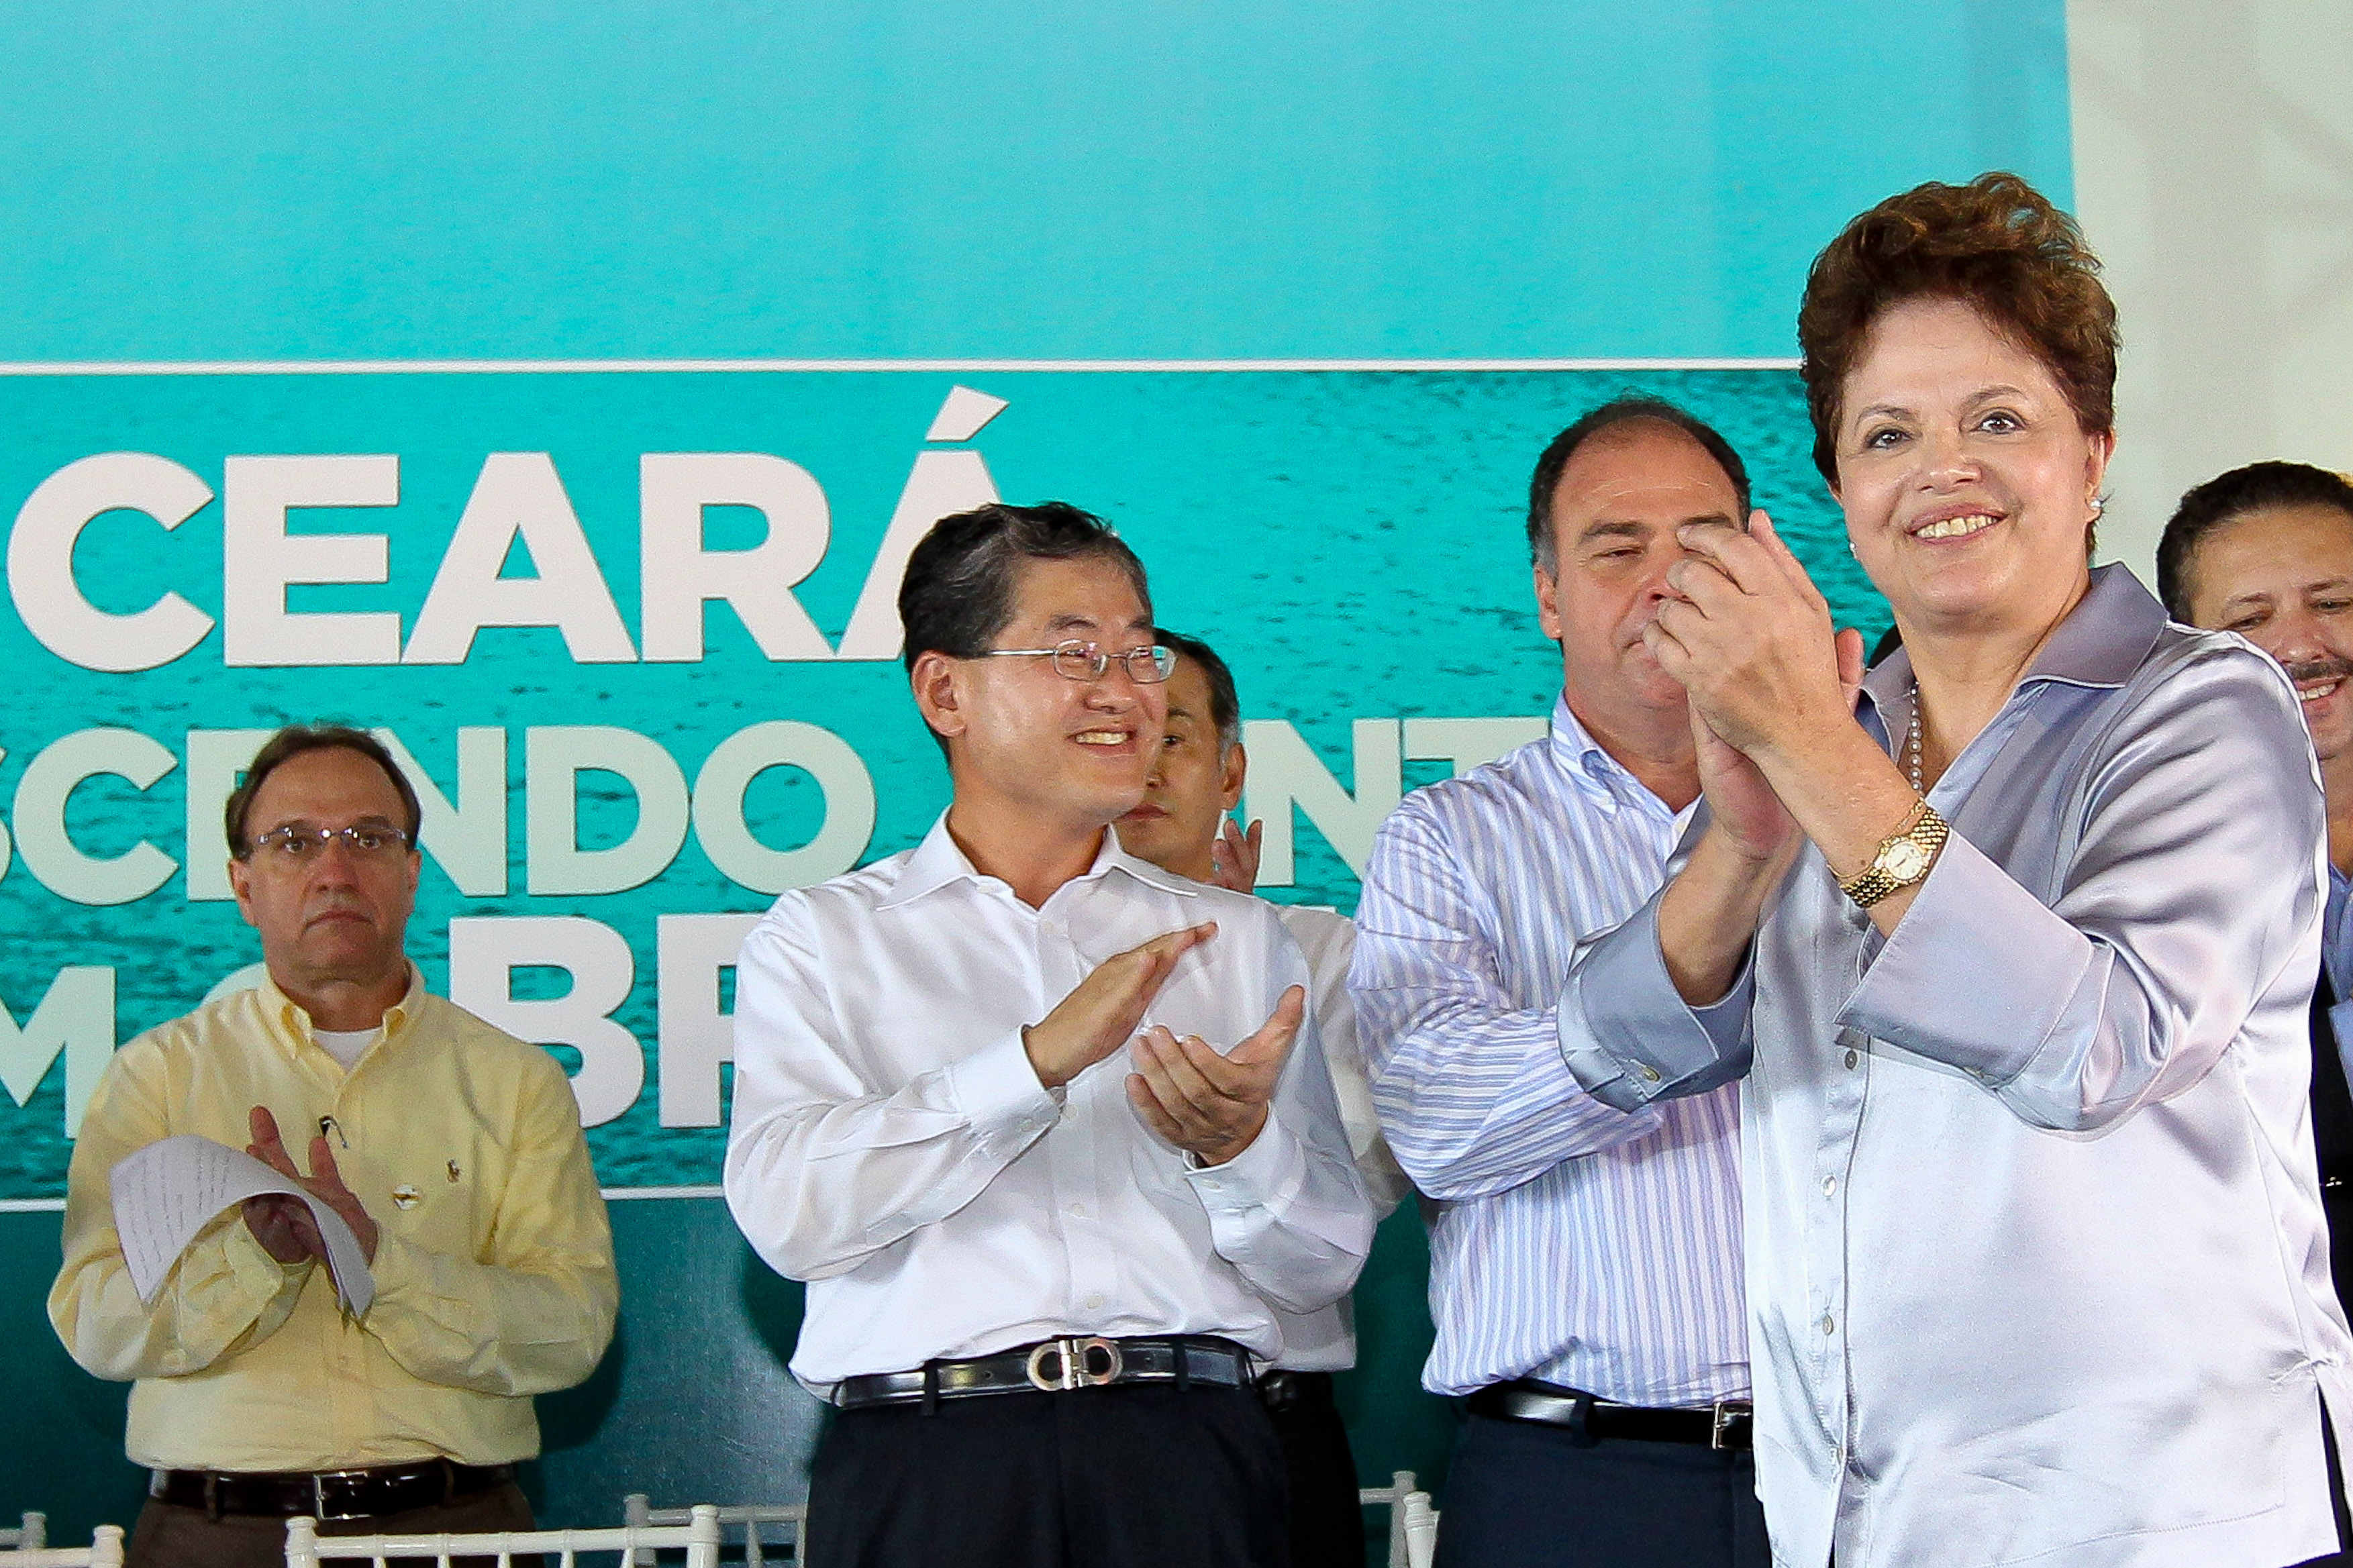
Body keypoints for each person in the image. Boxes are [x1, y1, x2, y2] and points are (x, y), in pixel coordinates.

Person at [1556, 172, 2353, 1567]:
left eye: (1999, 420)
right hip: (1857, 1524)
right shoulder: (1832, 724)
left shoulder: (2202, 707)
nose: (1944, 471)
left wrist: (1812, 753)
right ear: (1838, 489)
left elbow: (2092, 1045)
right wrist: (1744, 844)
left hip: (2156, 1526)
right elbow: (1609, 1044)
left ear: (2094, 453)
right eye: (1887, 434)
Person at [723, 502, 1376, 1568]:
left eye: (1139, 651)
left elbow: (1320, 1269)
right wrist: (1029, 1065)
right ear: (946, 692)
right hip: (934, 1472)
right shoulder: (826, 938)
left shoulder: (1241, 944)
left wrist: (1234, 1147)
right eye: (1074, 652)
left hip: (1192, 1461)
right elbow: (789, 1216)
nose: (1126, 691)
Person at [1350, 395, 1764, 1567]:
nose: (1664, 578)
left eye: (1702, 541)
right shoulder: (1449, 837)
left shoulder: (1868, 811)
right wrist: (1716, 900)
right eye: (1616, 546)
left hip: (1857, 1464)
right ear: (1547, 595)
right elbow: (1437, 1122)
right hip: (1574, 1486)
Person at [48, 725, 617, 1568]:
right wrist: (253, 1260)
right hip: (220, 1535)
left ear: (412, 871)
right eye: (293, 843)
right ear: (243, 884)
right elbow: (96, 1326)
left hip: (456, 1528)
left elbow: (572, 1330)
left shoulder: (514, 1081)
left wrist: (381, 1264)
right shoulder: (156, 1078)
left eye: (368, 838)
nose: (335, 870)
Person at [1112, 627, 1413, 1568]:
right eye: (1117, 734)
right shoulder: (1002, 959)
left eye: (1175, 738)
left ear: (1230, 769)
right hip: (1063, 1432)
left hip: (1264, 1433)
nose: (1145, 767)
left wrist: (1233, 960)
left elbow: (1351, 1192)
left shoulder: (1323, 955)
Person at [2160, 460, 2353, 1322]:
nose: (2301, 644)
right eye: (2248, 619)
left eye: (2334, 602)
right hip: (2263, 1344)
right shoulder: (2145, 871)